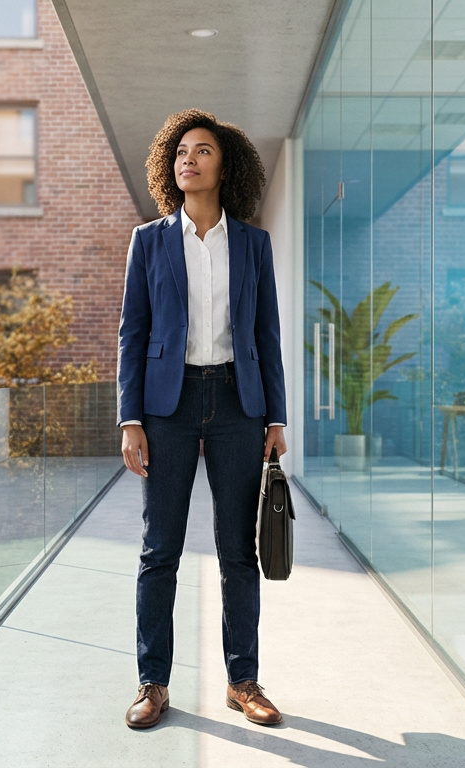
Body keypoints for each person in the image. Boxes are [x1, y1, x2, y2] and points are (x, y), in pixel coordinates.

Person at [117, 109, 287, 729]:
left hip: (240, 405)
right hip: (168, 406)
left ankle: (244, 681)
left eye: (203, 150)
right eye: (181, 151)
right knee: (159, 549)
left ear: (225, 165)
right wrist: (129, 418)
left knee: (237, 551)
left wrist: (276, 415)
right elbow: (131, 334)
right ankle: (152, 683)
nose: (189, 159)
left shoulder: (253, 244)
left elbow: (266, 335)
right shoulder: (149, 240)